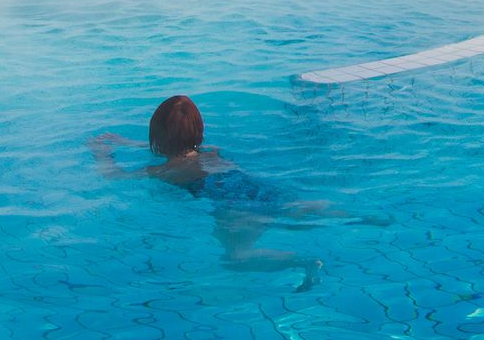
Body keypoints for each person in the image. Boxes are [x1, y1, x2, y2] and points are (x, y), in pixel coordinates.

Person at [88, 94, 334, 284]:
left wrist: (102, 153)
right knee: (299, 210)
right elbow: (181, 146)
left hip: (233, 207)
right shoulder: (213, 152)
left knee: (236, 258)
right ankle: (359, 216)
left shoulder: (163, 171)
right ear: (199, 130)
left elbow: (113, 177)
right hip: (256, 188)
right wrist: (129, 142)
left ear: (157, 136)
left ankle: (305, 263)